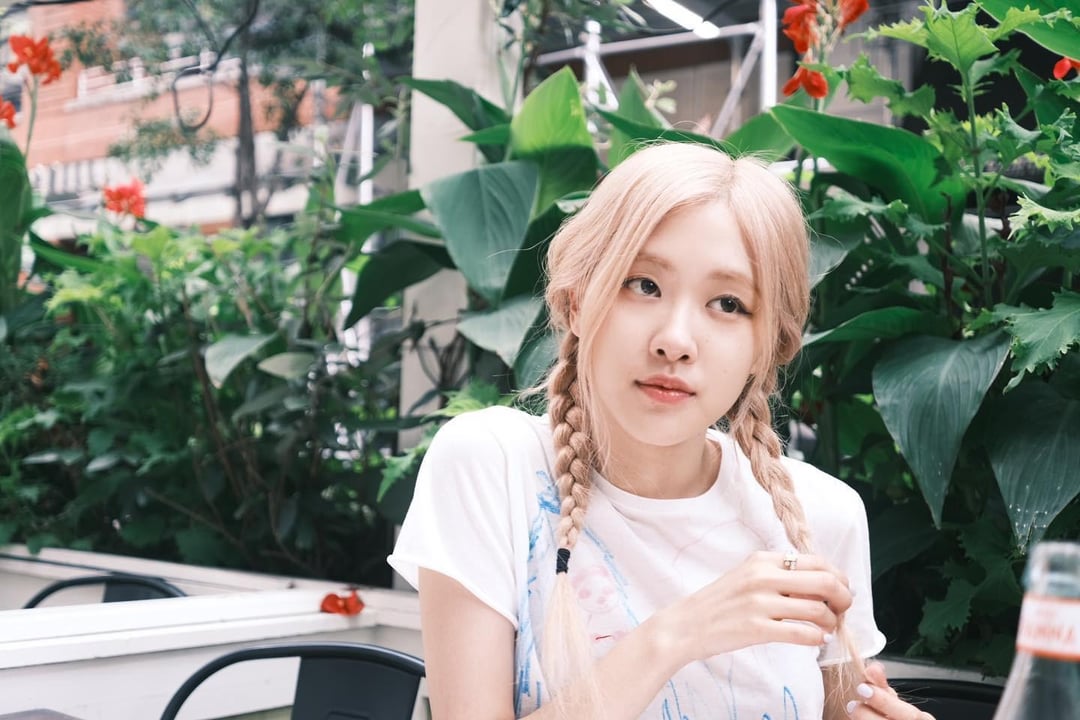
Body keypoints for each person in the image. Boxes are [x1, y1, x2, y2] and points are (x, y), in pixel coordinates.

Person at [388, 142, 934, 720]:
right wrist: (677, 634)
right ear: (576, 303)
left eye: (728, 303)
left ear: (768, 346)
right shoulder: (492, 467)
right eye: (643, 285)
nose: (675, 340)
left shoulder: (821, 516)